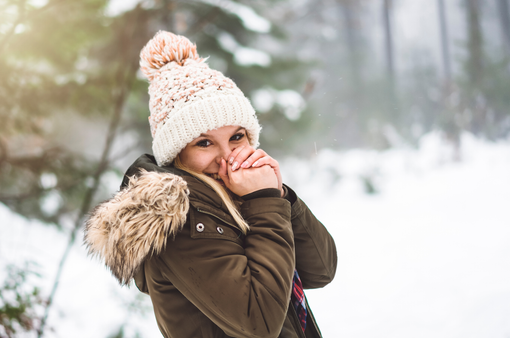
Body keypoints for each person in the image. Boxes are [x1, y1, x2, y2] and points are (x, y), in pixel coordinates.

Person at [84, 31, 337, 338]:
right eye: (204, 143)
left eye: (236, 137)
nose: (227, 157)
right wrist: (266, 201)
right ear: (177, 155)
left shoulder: (238, 198)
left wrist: (280, 197)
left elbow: (320, 269)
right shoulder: (179, 219)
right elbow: (258, 321)